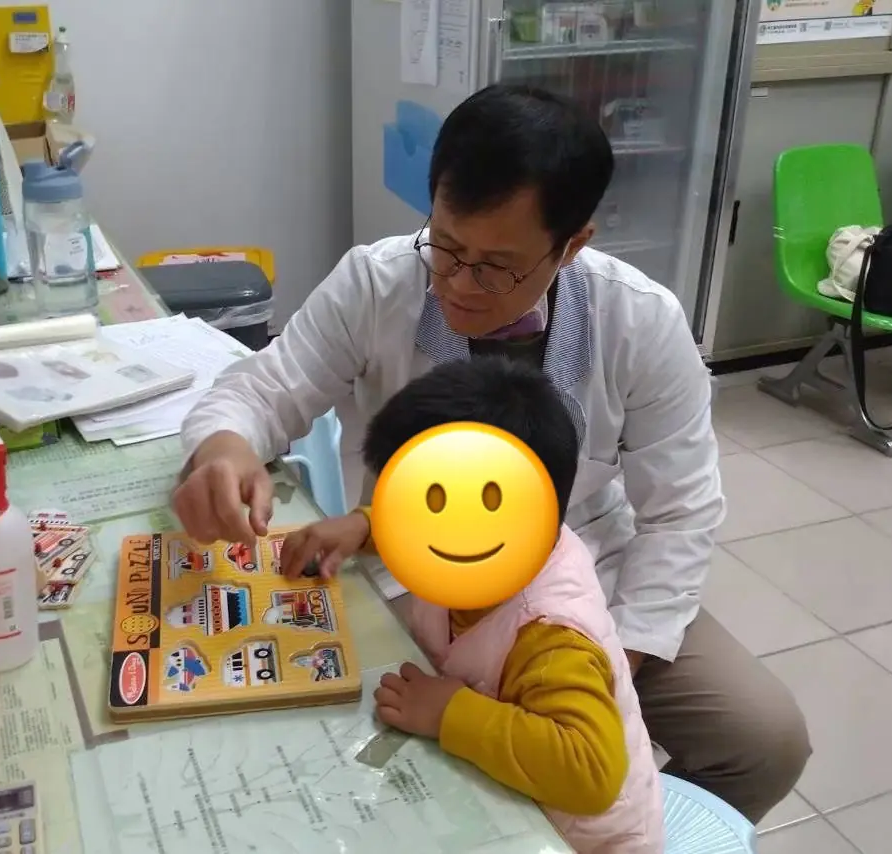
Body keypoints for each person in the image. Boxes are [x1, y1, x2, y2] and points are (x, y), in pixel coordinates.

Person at [173, 84, 811, 822]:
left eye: (496, 266)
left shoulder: (640, 321)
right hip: (417, 576)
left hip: (585, 587)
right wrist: (225, 451)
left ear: (572, 245)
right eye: (446, 247)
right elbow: (262, 390)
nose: (458, 284)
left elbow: (681, 514)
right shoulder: (377, 283)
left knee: (765, 742)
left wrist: (611, 660)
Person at [284, 357, 664, 851]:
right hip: (504, 796)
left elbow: (590, 772)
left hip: (580, 839)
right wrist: (363, 525)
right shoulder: (508, 535)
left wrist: (450, 714)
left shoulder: (550, 639)